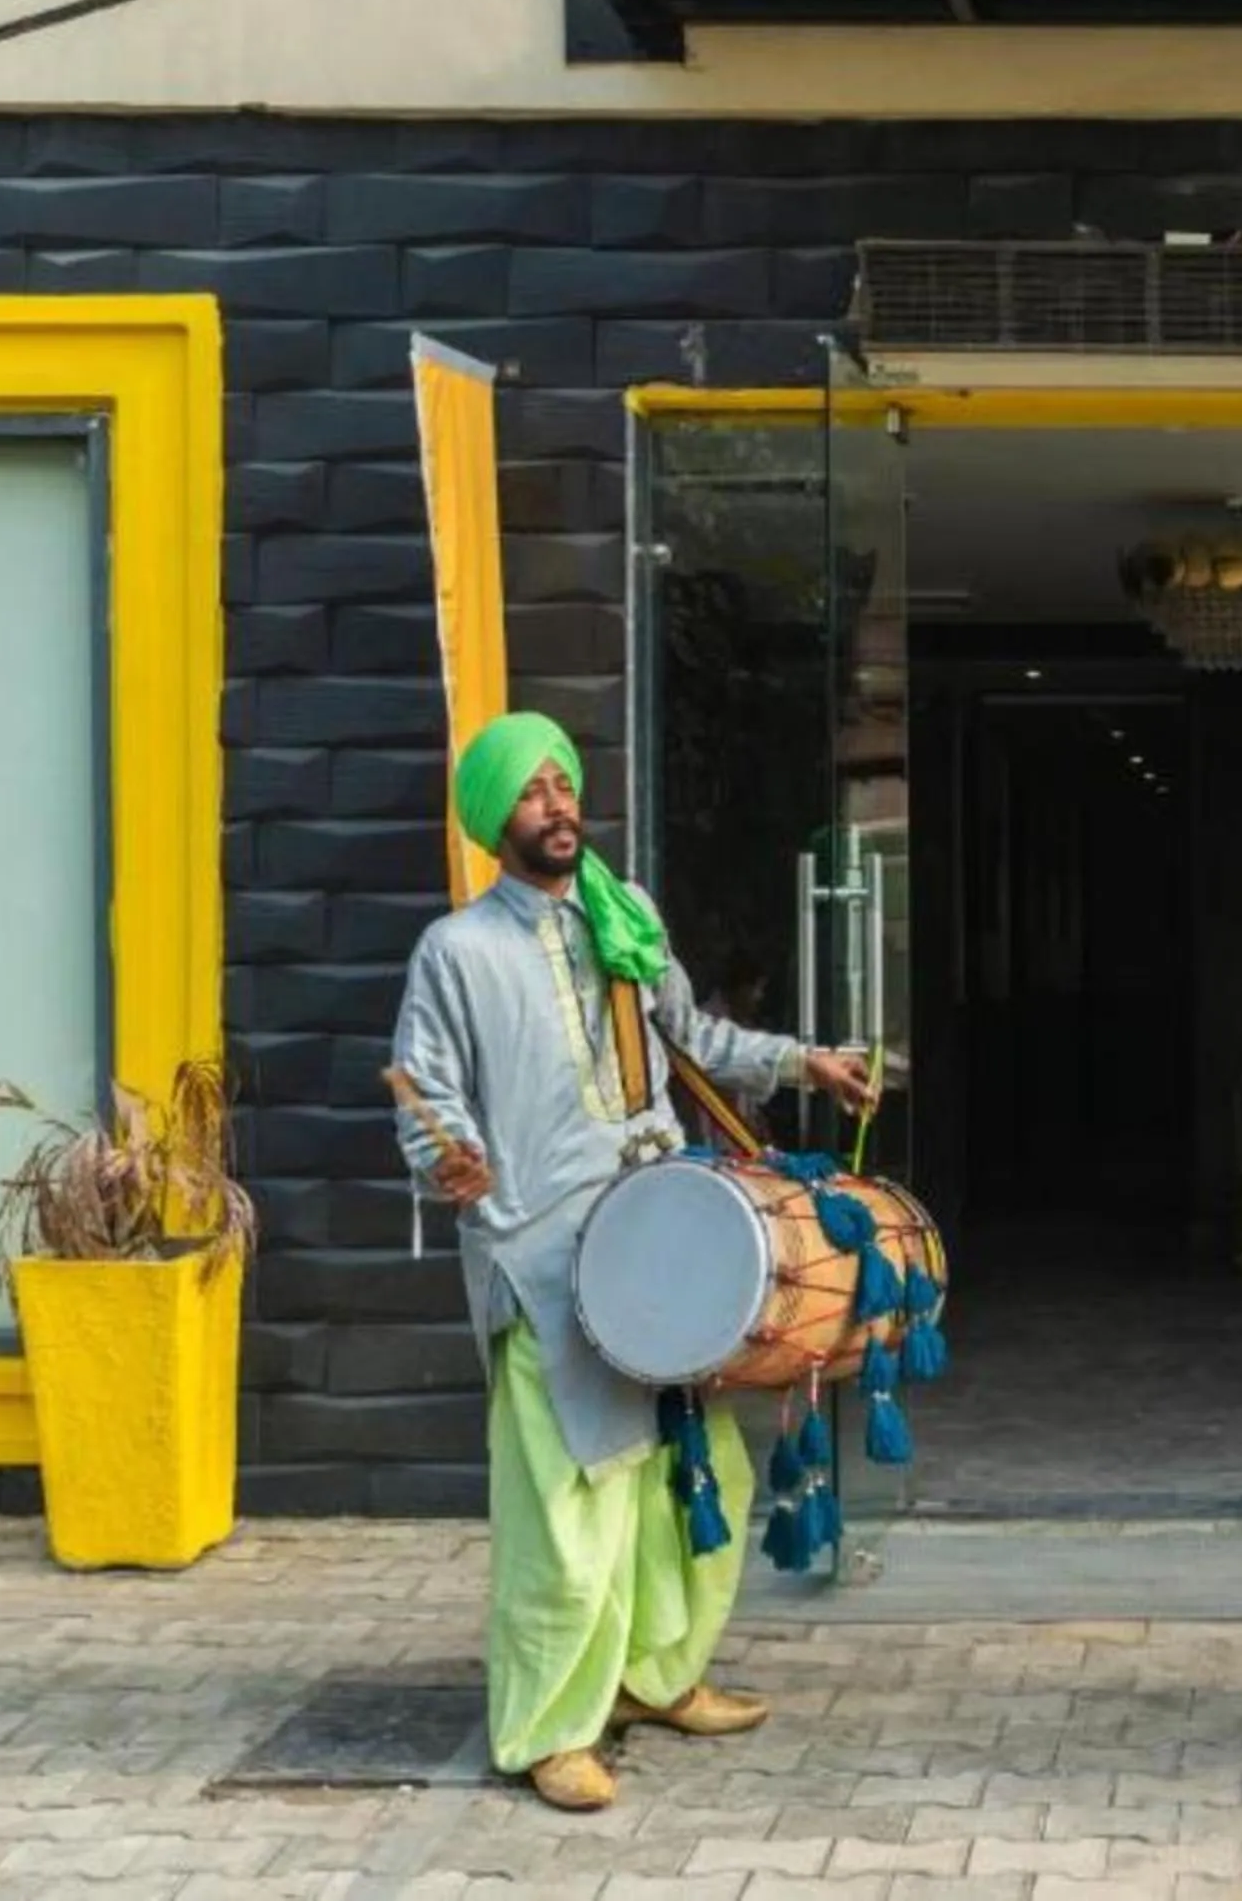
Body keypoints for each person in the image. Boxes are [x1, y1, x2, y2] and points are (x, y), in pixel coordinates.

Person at [390, 711, 872, 1814]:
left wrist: (807, 1060)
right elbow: (425, 1100)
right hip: (540, 1259)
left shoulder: (624, 916)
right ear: (491, 819)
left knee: (694, 1479)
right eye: (531, 791)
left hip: (658, 1241)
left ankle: (657, 1678)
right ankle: (548, 1729)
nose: (557, 805)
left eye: (565, 783)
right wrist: (451, 1162)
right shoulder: (456, 953)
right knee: (570, 1507)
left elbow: (692, 1041)